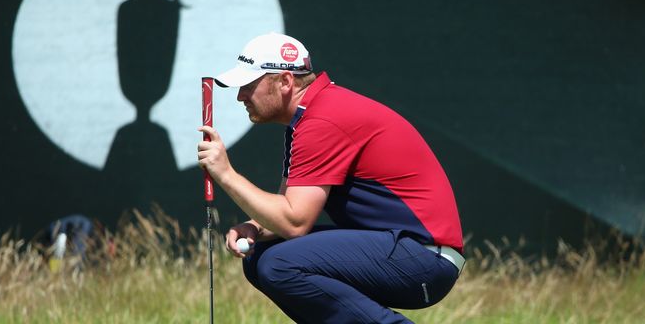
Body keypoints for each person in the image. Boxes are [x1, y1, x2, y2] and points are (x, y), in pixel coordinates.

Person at [197, 32, 464, 324]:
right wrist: (255, 228)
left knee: (280, 264)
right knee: (260, 255)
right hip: (409, 251)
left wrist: (225, 174)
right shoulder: (313, 114)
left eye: (249, 86)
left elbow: (295, 223)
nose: (241, 96)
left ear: (285, 82)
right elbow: (289, 207)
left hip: (425, 259)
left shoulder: (322, 120)